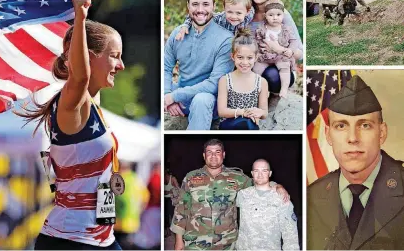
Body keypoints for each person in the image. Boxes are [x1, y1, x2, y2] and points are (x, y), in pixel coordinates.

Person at [17, 0, 125, 250]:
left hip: (101, 240)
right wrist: (79, 15)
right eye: (115, 56)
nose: (122, 65)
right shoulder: (72, 103)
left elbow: (84, 73)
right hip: (69, 241)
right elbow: (80, 74)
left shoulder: (93, 101)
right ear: (90, 58)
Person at [307, 75, 404, 250]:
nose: (352, 138)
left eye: (365, 125)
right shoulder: (311, 197)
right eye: (341, 126)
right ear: (328, 135)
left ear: (381, 133)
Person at [171, 139, 289, 250]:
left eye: (217, 152)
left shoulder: (237, 177)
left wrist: (277, 186)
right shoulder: (191, 177)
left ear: (223, 155)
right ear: (204, 155)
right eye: (209, 152)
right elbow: (181, 209)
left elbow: (260, 182)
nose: (213, 156)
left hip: (227, 243)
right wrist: (178, 240)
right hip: (195, 242)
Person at [164, 0, 233, 130]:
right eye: (195, 4)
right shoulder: (178, 34)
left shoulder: (226, 39)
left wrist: (175, 96)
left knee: (201, 99)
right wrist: (167, 95)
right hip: (181, 94)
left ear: (214, 6)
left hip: (209, 101)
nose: (200, 9)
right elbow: (165, 67)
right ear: (188, 6)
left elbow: (214, 84)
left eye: (206, 4)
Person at [244, 0, 302, 94]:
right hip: (252, 62)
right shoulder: (243, 13)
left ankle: (274, 96)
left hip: (280, 66)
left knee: (273, 77)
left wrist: (278, 48)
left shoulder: (280, 14)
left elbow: (300, 53)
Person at [236, 159, 299, 250]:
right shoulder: (242, 195)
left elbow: (290, 234)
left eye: (264, 171)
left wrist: (278, 186)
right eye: (256, 171)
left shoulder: (281, 198)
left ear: (270, 173)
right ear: (252, 173)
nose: (260, 175)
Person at [217, 28, 268, 130]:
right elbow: (221, 111)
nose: (245, 63)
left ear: (256, 58)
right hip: (229, 123)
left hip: (250, 123)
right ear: (233, 57)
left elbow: (264, 112)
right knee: (246, 123)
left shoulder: (261, 82)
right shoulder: (225, 80)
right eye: (240, 57)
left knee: (248, 123)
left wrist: (259, 112)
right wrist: (244, 112)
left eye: (249, 58)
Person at [253, 0, 300, 99]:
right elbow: (256, 41)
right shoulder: (262, 29)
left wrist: (290, 50)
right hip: (265, 56)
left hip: (280, 56)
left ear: (283, 15)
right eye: (271, 15)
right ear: (265, 15)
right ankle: (255, 88)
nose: (275, 18)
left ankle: (284, 88)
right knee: (256, 69)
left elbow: (294, 41)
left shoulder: (286, 29)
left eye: (278, 15)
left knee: (284, 69)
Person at [175, 0, 255, 39]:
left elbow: (253, 9)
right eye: (229, 12)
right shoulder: (219, 18)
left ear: (246, 12)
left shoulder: (248, 16)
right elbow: (197, 15)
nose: (233, 16)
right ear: (224, 8)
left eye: (238, 13)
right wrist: (185, 25)